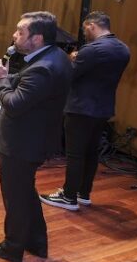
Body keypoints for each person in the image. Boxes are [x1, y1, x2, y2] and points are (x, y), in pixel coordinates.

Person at [0, 11, 72, 262]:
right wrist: (6, 79)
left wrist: (0, 82)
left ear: (37, 38)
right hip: (34, 139)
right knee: (26, 193)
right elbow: (26, 81)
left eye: (20, 32)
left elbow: (15, 103)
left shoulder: (43, 68)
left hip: (23, 143)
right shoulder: (53, 56)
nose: (14, 35)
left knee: (16, 197)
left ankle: (13, 247)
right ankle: (36, 242)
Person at [40, 11, 130, 211]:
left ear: (91, 26)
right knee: (91, 153)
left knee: (75, 154)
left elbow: (69, 75)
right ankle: (84, 193)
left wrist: (71, 59)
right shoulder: (124, 49)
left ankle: (69, 196)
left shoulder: (91, 50)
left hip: (80, 108)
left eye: (84, 29)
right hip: (104, 108)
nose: (84, 33)